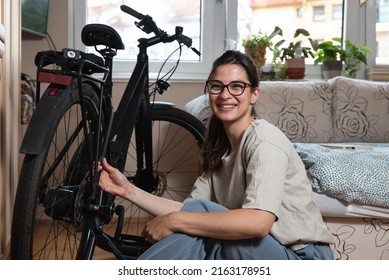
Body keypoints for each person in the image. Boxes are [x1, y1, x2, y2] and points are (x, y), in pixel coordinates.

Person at [98, 50, 335, 260]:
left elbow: (258, 223)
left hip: (301, 258)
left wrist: (174, 221)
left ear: (254, 94)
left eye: (237, 86)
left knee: (196, 224)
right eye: (217, 86)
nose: (225, 95)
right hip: (256, 252)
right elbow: (189, 211)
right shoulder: (218, 150)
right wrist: (128, 191)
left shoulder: (264, 140)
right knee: (198, 224)